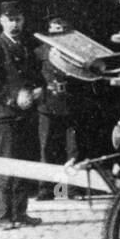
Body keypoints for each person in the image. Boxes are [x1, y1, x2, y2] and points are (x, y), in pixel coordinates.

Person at [0, 1, 45, 230]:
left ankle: (20, 212)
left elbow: (37, 76)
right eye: (10, 20)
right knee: (6, 167)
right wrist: (13, 98)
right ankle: (4, 216)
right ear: (1, 21)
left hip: (25, 116)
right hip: (4, 117)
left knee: (24, 166)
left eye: (18, 19)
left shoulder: (27, 48)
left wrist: (38, 90)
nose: (15, 24)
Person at [36, 17, 79, 201]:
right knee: (47, 148)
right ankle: (46, 189)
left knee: (72, 149)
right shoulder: (39, 52)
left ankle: (66, 190)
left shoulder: (75, 52)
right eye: (53, 31)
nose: (57, 34)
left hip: (69, 104)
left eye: (61, 30)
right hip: (47, 104)